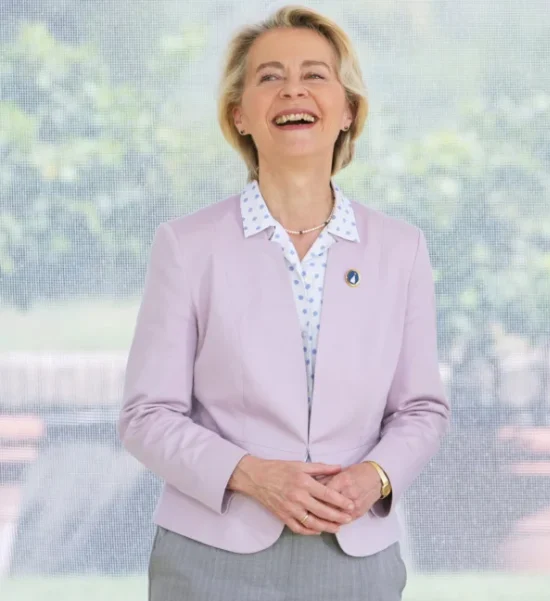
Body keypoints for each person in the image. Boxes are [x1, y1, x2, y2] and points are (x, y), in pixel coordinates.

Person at [118, 6, 449, 600]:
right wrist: (251, 475)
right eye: (269, 76)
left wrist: (375, 477)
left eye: (315, 75)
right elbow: (148, 415)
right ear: (239, 114)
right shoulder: (187, 246)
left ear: (348, 110)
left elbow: (421, 408)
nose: (293, 89)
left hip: (356, 560)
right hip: (209, 561)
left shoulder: (401, 249)